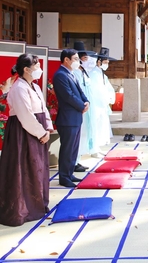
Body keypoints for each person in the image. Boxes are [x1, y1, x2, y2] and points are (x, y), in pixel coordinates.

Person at [0, 54, 53, 226]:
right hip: (23, 133)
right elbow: (25, 115)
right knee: (23, 168)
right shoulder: (18, 88)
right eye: (36, 65)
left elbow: (43, 109)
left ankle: (37, 204)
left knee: (37, 167)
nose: (39, 68)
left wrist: (48, 127)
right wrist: (41, 133)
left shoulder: (35, 87)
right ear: (26, 69)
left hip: (37, 130)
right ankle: (22, 208)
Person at [52, 49, 89, 187]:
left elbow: (80, 92)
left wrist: (86, 102)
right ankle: (64, 177)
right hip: (67, 118)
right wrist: (81, 106)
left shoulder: (71, 74)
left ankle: (70, 173)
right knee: (67, 149)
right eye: (75, 59)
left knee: (73, 148)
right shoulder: (60, 75)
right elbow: (67, 96)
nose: (77, 61)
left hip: (75, 117)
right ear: (66, 60)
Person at [73, 42, 97, 171]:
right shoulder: (75, 72)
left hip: (87, 106)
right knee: (79, 134)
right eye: (86, 58)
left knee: (84, 134)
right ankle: (74, 161)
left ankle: (78, 158)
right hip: (80, 107)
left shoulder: (84, 72)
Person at [89, 48, 115, 147]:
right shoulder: (94, 74)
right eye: (105, 62)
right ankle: (95, 147)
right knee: (97, 127)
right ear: (99, 62)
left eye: (107, 62)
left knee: (102, 126)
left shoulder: (101, 74)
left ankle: (98, 146)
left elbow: (108, 88)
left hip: (102, 105)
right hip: (96, 105)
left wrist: (110, 98)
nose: (106, 64)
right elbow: (97, 91)